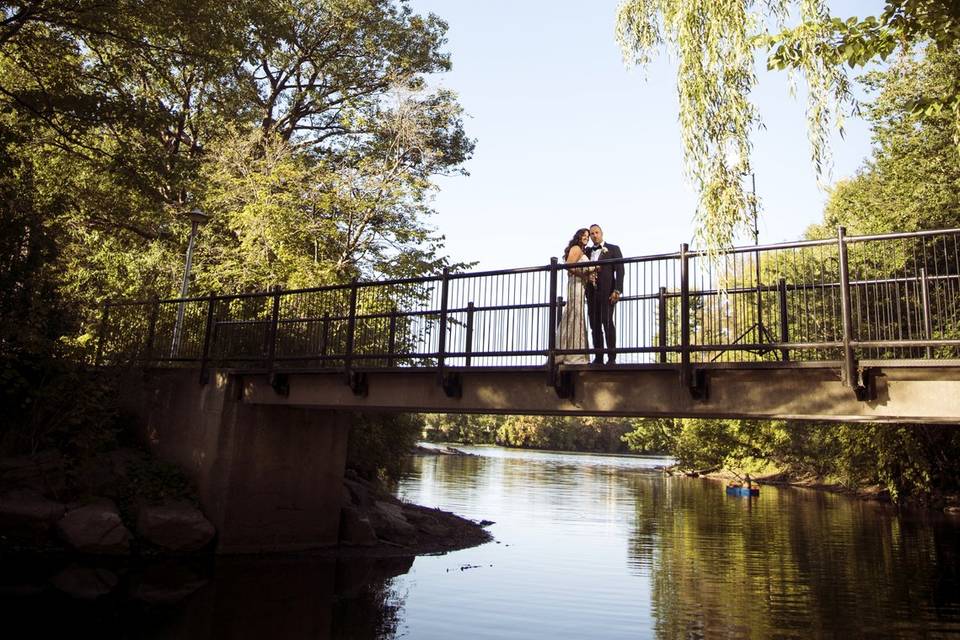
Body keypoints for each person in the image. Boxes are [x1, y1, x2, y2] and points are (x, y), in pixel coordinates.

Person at [585, 224, 624, 365]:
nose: (595, 235)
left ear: (601, 233)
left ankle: (612, 357)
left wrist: (617, 290)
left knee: (607, 322)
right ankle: (599, 357)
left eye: (597, 232)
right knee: (594, 325)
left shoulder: (613, 249)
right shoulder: (587, 252)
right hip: (591, 293)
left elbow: (620, 271)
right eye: (592, 234)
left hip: (608, 292)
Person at [556, 228, 594, 365]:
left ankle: (568, 350)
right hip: (576, 285)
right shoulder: (576, 248)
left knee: (576, 315)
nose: (586, 237)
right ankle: (571, 353)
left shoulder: (582, 251)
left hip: (581, 287)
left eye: (587, 236)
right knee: (575, 314)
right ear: (578, 236)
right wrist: (584, 275)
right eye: (584, 235)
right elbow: (569, 266)